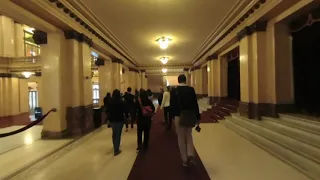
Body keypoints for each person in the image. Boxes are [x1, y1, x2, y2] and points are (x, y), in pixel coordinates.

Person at [171, 74, 200, 167]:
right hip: (189, 115)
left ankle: (184, 159)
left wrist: (172, 116)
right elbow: (195, 104)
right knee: (189, 135)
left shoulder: (174, 90)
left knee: (180, 137)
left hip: (178, 116)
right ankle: (190, 154)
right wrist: (197, 116)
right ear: (185, 80)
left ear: (178, 81)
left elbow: (172, 104)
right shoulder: (191, 89)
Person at [106, 89, 128, 156]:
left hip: (112, 120)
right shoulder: (121, 102)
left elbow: (107, 110)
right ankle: (116, 150)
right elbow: (125, 110)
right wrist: (126, 116)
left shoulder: (110, 102)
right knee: (118, 134)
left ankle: (115, 146)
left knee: (114, 133)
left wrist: (108, 119)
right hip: (119, 120)